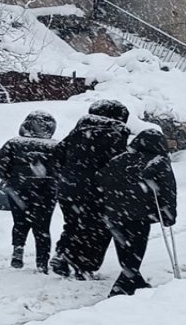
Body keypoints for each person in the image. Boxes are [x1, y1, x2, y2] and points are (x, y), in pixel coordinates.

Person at [49, 99, 130, 279]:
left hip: (68, 189)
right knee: (98, 229)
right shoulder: (117, 133)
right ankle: (83, 266)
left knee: (73, 224)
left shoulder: (78, 131)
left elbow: (56, 154)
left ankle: (63, 254)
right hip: (97, 190)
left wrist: (67, 175)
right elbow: (118, 164)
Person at [96, 128, 177, 297]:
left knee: (125, 249)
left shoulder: (119, 159)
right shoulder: (158, 161)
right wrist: (169, 214)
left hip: (114, 212)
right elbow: (168, 190)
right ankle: (120, 288)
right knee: (136, 250)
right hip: (139, 214)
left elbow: (101, 181)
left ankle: (136, 283)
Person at [0, 111, 60, 273]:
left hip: (18, 190)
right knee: (42, 227)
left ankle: (18, 250)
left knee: (20, 222)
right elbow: (63, 168)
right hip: (46, 191)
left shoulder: (14, 143)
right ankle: (42, 262)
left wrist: (10, 179)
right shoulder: (55, 146)